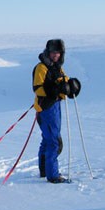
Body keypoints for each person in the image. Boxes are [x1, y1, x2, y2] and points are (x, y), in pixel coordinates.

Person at [32, 39, 81, 183]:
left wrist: (71, 86)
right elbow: (38, 88)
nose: (56, 55)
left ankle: (44, 170)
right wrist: (55, 90)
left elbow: (63, 81)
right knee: (54, 142)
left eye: (59, 53)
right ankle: (53, 175)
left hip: (55, 107)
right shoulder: (41, 68)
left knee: (47, 140)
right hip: (46, 108)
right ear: (48, 52)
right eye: (54, 52)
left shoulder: (57, 67)